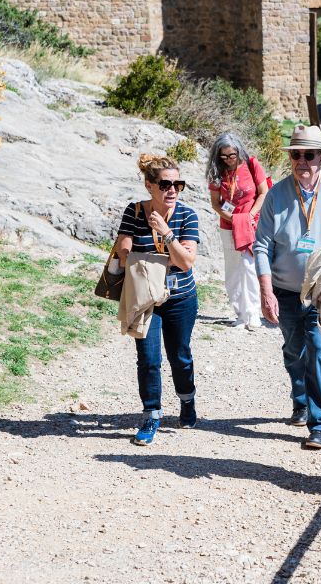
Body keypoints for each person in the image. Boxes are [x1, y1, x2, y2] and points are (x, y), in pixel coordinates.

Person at [254, 125, 321, 450]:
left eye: (309, 155)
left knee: (320, 349)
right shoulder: (277, 194)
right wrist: (266, 291)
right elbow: (262, 246)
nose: (302, 161)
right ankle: (300, 396)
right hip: (284, 289)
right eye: (296, 155)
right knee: (293, 351)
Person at [114, 153, 200, 446]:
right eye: (165, 184)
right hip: (145, 298)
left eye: (178, 184)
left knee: (180, 355)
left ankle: (187, 400)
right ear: (150, 185)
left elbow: (187, 262)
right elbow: (123, 253)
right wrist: (138, 258)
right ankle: (151, 415)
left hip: (180, 296)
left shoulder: (187, 216)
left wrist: (167, 234)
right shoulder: (134, 211)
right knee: (148, 359)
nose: (172, 190)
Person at [207, 133, 271, 330]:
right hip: (229, 225)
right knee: (234, 269)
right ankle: (240, 313)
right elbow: (216, 204)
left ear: (239, 151)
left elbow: (263, 193)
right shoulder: (217, 170)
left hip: (252, 225)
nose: (228, 160)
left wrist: (250, 216)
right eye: (223, 156)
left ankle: (253, 314)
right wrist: (233, 219)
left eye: (231, 155)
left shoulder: (251, 164)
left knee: (249, 267)